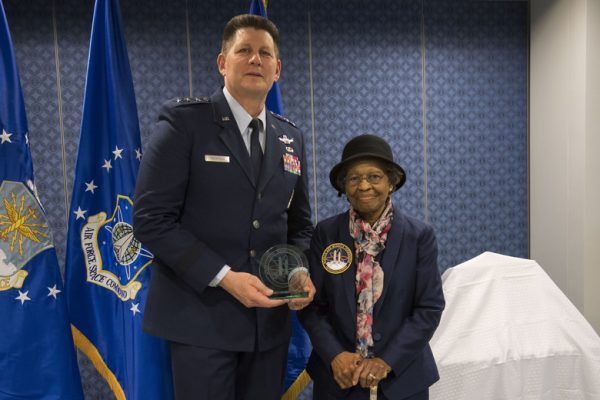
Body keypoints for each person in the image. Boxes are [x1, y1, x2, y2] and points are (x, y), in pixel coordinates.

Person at [133, 14, 315, 400]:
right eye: (244, 50)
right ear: (222, 62)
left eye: (265, 53)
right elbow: (151, 220)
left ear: (277, 68)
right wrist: (225, 276)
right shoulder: (186, 123)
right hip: (201, 319)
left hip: (268, 325)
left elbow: (299, 225)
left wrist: (297, 269)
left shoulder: (291, 137)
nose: (255, 60)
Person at [298, 134, 445, 400]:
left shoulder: (419, 236)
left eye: (374, 177)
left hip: (401, 380)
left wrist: (386, 360)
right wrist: (335, 354)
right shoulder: (326, 234)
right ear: (344, 186)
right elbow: (312, 306)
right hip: (339, 378)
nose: (364, 185)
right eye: (354, 178)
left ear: (391, 182)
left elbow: (429, 308)